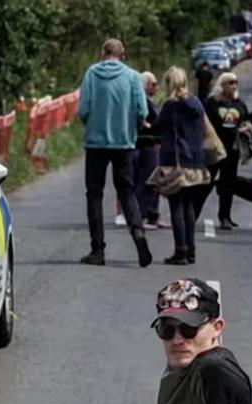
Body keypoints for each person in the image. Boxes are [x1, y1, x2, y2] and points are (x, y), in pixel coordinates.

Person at [143, 278, 252, 404]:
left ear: (217, 327)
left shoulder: (217, 373)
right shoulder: (187, 364)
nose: (177, 340)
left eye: (189, 328)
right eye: (167, 329)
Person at [78, 38, 152, 267]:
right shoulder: (131, 76)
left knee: (94, 195)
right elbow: (143, 110)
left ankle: (97, 250)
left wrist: (91, 123)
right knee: (127, 191)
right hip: (123, 143)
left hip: (95, 143)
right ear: (123, 54)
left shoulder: (91, 74)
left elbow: (84, 109)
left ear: (103, 53)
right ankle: (138, 233)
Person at [154, 67, 209, 265]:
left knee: (176, 204)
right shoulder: (196, 103)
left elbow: (159, 128)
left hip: (174, 159)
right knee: (189, 206)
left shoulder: (171, 106)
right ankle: (191, 249)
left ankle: (180, 250)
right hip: (195, 159)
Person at [200, 73, 249, 230]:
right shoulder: (212, 103)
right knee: (206, 182)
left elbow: (245, 119)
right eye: (230, 83)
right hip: (214, 148)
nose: (234, 86)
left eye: (235, 83)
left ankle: (225, 216)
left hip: (232, 149)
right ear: (222, 85)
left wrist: (246, 128)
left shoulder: (239, 104)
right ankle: (193, 213)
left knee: (228, 184)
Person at [134, 71, 169, 230]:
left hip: (152, 144)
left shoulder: (148, 101)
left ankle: (152, 214)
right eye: (153, 84)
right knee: (146, 181)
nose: (156, 87)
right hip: (146, 144)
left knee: (154, 181)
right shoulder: (142, 102)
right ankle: (143, 215)